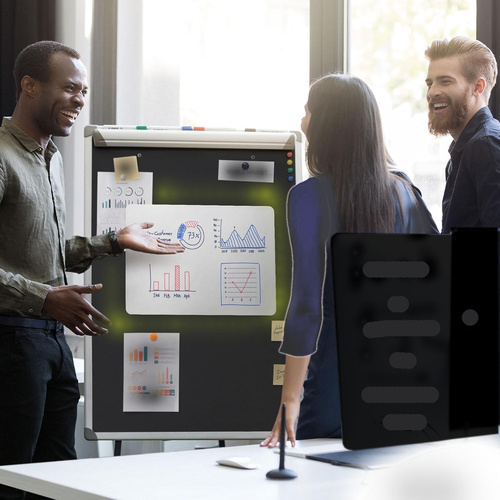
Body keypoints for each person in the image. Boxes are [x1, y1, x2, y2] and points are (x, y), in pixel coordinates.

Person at [0, 41, 183, 499]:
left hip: (51, 340)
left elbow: (42, 251)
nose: (79, 100)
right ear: (29, 86)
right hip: (12, 340)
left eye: (83, 91)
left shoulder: (51, 157)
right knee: (10, 477)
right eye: (69, 88)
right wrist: (45, 297)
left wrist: (114, 241)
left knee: (59, 479)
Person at [260, 73, 438, 448]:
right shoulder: (406, 193)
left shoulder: (308, 197)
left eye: (308, 111)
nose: (303, 121)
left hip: (332, 390)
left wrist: (290, 398)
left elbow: (307, 306)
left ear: (327, 122)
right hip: (403, 384)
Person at [425, 36, 500, 233]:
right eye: (430, 83)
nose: (432, 92)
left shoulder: (486, 144)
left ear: (478, 87)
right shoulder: (467, 149)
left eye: (445, 81)